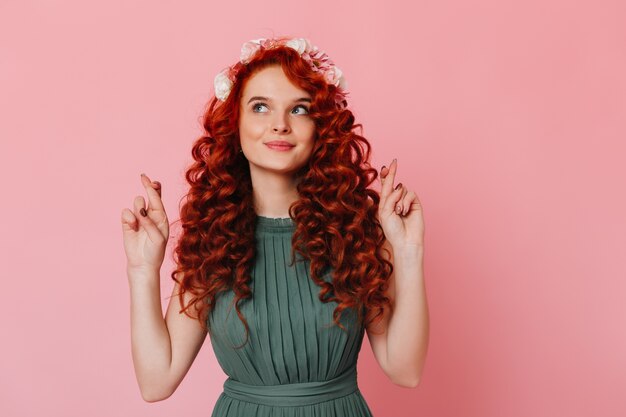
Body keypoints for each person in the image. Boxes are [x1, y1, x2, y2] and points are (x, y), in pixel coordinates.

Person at [121, 36, 429, 417]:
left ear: (321, 127)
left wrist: (409, 253)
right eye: (261, 107)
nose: (279, 125)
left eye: (299, 109)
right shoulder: (213, 241)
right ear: (235, 123)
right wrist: (142, 270)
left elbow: (405, 371)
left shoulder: (357, 234)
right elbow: (156, 382)